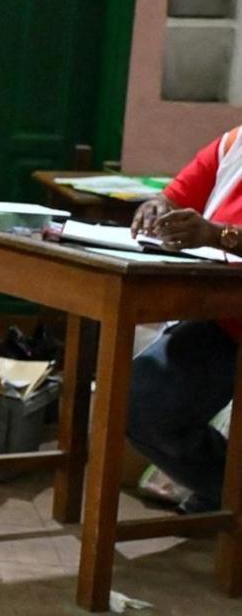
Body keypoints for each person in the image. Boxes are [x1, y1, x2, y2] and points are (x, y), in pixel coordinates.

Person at [126, 125, 242, 515]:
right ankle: (226, 491)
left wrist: (216, 234)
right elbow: (172, 197)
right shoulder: (234, 144)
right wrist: (156, 208)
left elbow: (214, 232)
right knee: (140, 405)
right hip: (222, 319)